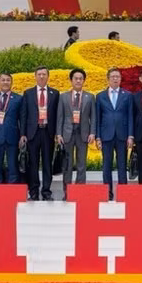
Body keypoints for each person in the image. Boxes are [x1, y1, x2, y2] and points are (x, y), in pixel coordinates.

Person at [20, 66, 60, 201]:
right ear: (35, 76)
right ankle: (34, 191)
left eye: (44, 74)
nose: (41, 77)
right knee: (33, 164)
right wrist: (23, 134)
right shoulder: (28, 93)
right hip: (33, 132)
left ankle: (46, 191)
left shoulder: (55, 93)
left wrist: (57, 133)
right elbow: (24, 114)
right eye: (39, 74)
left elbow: (58, 115)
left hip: (48, 132)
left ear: (48, 76)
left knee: (47, 163)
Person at [56, 68, 96, 200]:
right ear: (71, 80)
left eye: (80, 79)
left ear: (84, 80)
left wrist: (92, 133)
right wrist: (59, 134)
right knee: (67, 165)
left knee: (81, 165)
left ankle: (80, 192)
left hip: (83, 134)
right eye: (76, 78)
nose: (78, 81)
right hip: (67, 134)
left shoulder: (90, 97)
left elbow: (93, 117)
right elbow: (60, 117)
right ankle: (67, 193)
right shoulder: (63, 97)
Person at [95, 68, 134, 201]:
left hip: (122, 135)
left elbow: (130, 116)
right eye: (113, 77)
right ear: (108, 79)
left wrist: (130, 135)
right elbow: (98, 118)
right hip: (106, 135)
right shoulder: (100, 96)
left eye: (118, 76)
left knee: (122, 165)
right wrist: (98, 137)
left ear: (120, 79)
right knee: (107, 166)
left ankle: (123, 193)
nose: (115, 79)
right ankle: (108, 193)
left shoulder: (127, 95)